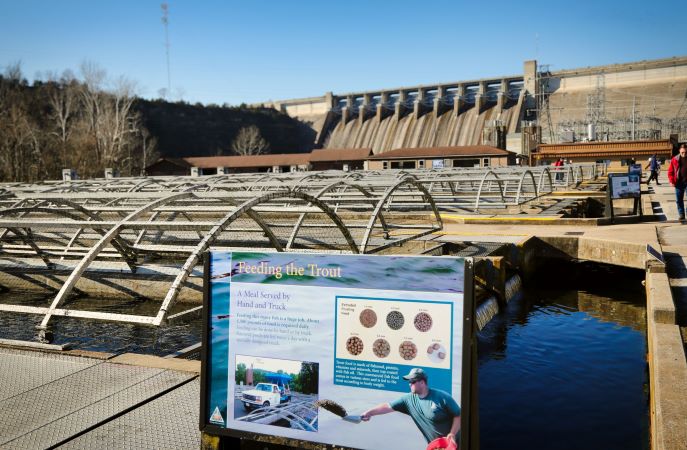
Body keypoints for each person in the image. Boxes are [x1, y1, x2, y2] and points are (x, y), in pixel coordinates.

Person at [361, 368, 461, 445]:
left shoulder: (441, 397)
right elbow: (387, 406)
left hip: (456, 444)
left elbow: (459, 415)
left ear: (422, 382)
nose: (409, 384)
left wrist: (452, 434)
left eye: (412, 382)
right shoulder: (408, 399)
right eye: (409, 382)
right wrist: (369, 412)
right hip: (436, 446)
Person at [668, 144, 687, 220]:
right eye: (682, 152)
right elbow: (670, 172)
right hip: (678, 182)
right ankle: (681, 214)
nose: (684, 154)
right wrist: (671, 181)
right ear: (679, 150)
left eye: (685, 152)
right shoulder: (675, 159)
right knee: (679, 200)